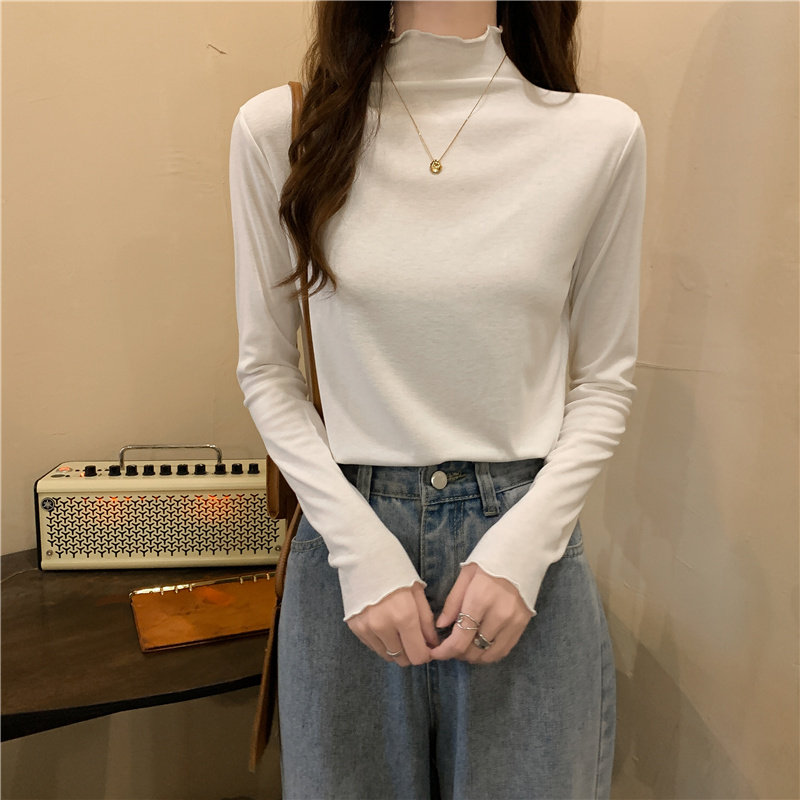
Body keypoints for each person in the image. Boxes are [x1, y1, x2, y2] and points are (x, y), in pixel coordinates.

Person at [229, 0, 646, 796]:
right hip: (348, 549)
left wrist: (524, 550)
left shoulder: (599, 137)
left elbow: (604, 380)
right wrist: (357, 546)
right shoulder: (282, 131)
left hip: (523, 555)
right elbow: (267, 370)